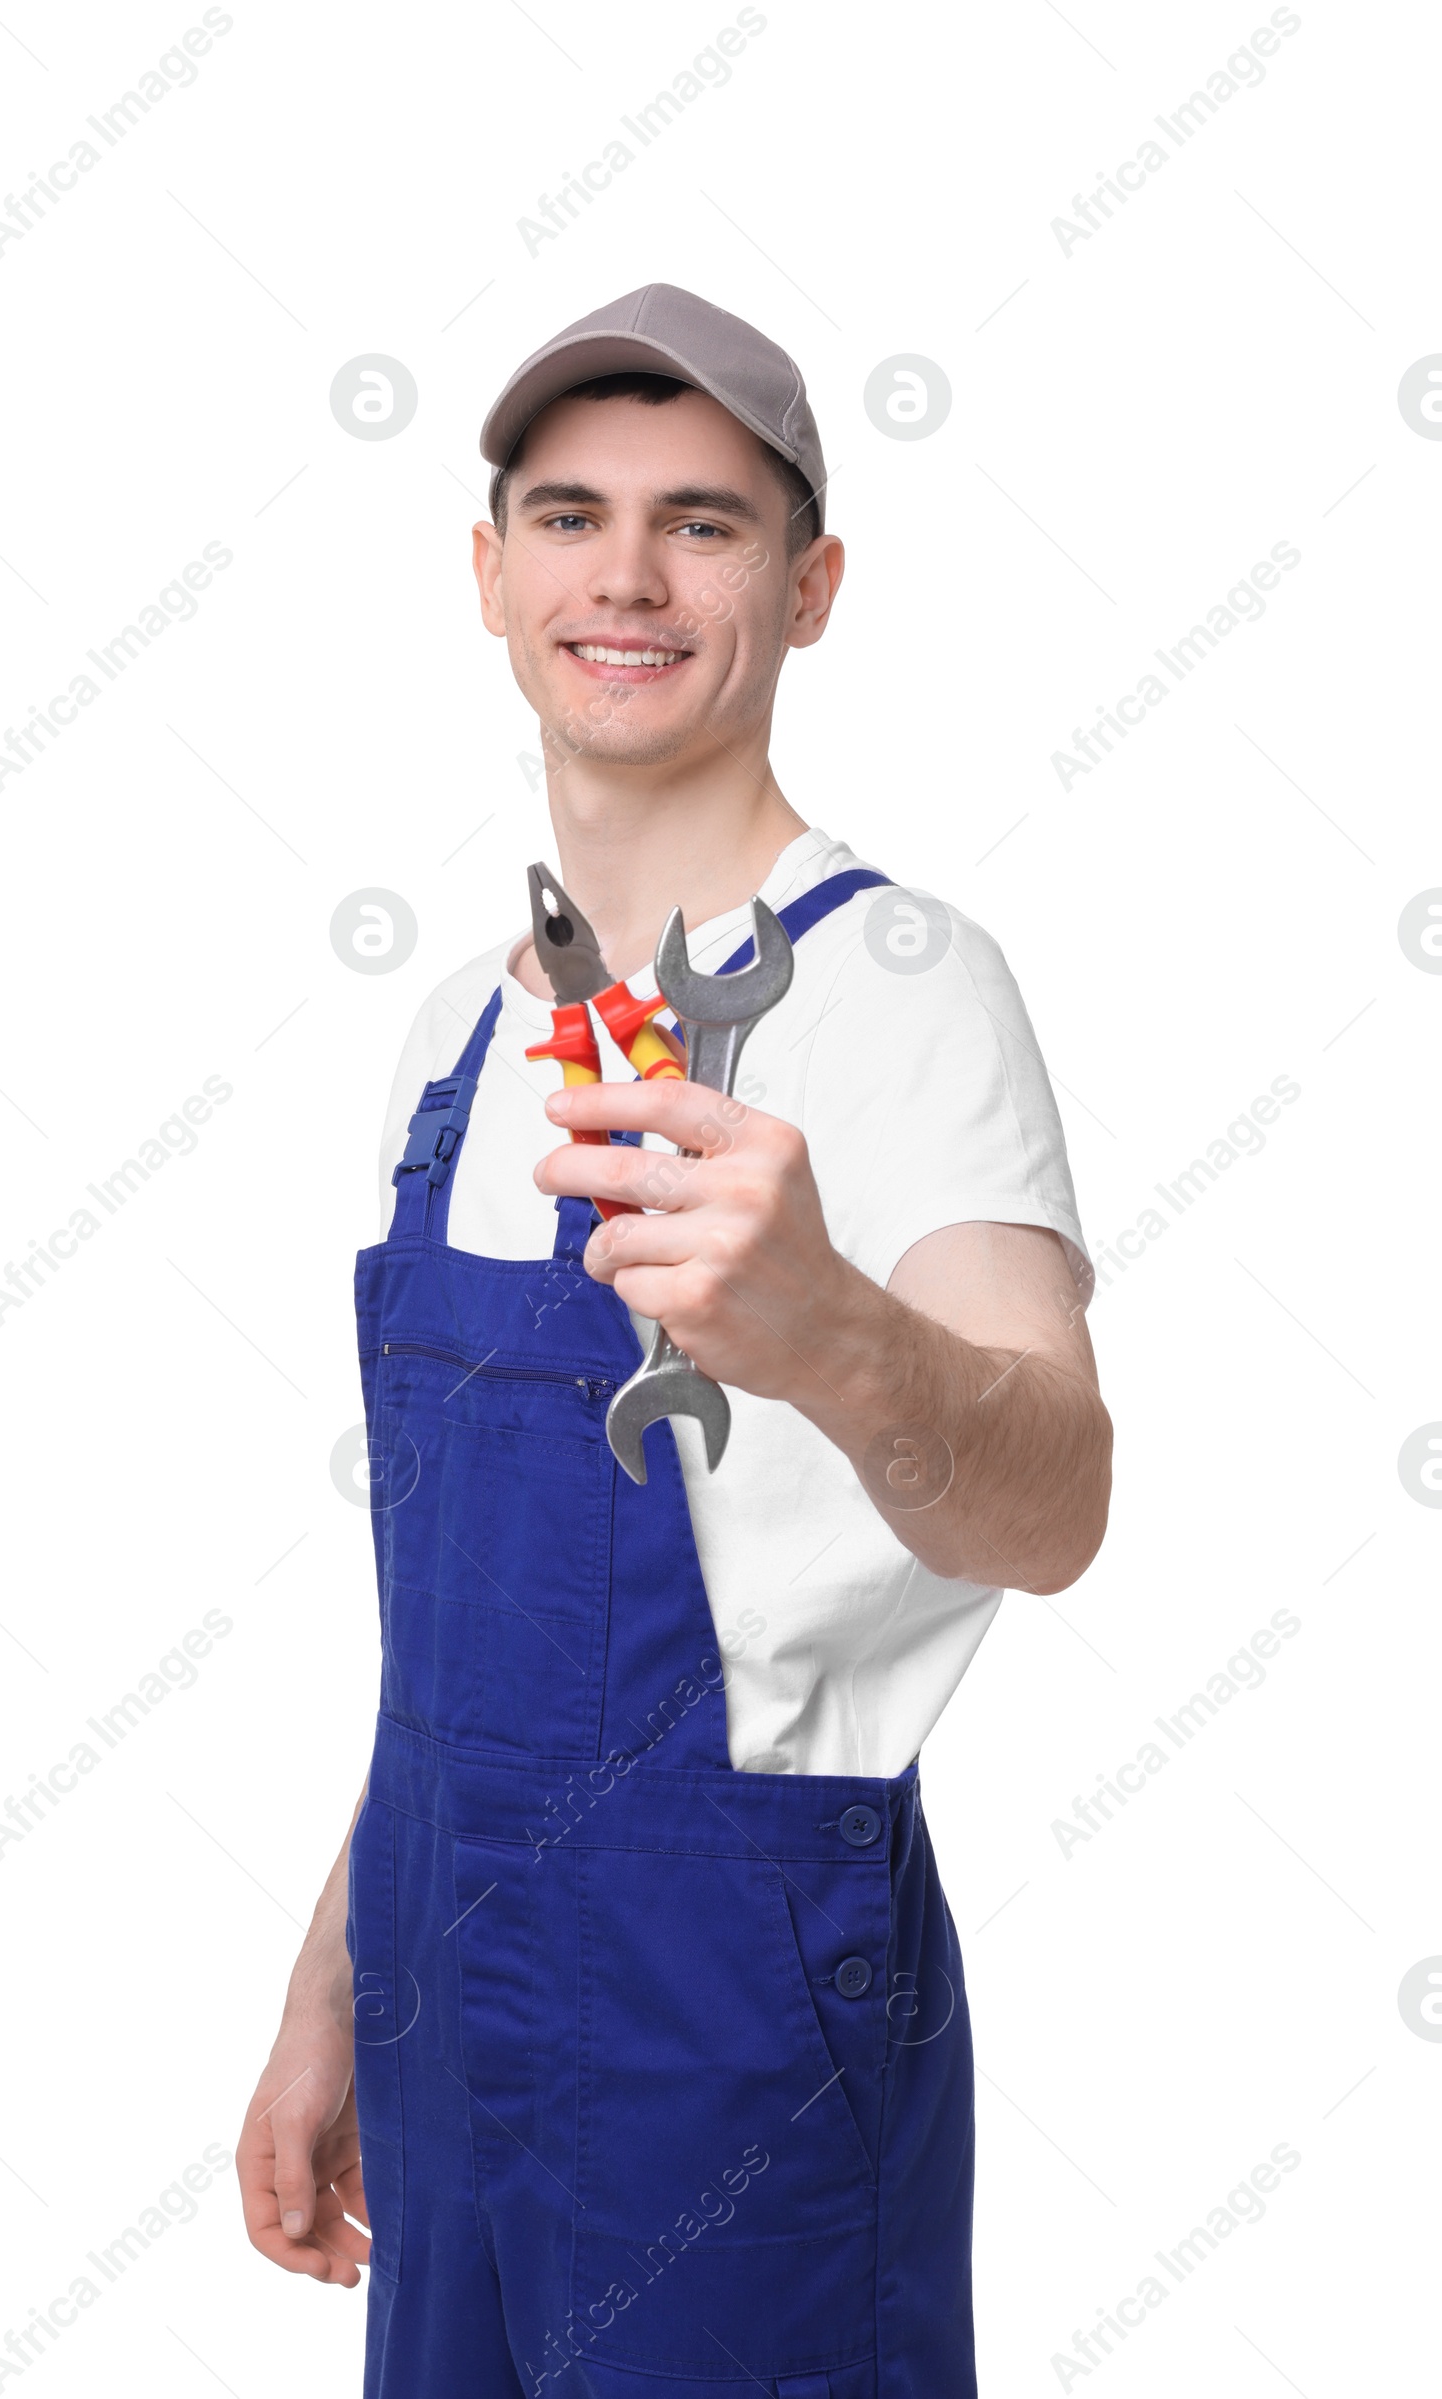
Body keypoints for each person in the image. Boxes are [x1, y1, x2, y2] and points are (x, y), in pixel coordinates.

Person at [237, 283, 1112, 2397]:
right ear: (487, 571)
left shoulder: (903, 982)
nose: (622, 576)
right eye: (567, 515)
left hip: (728, 2006)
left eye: (702, 527)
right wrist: (335, 1978)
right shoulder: (461, 1030)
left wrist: (819, 1323)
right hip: (446, 1967)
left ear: (809, 588)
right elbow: (449, 1619)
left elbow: (1058, 1501)